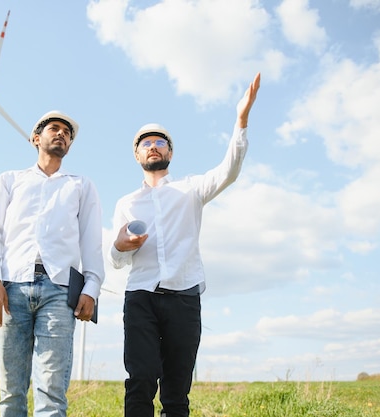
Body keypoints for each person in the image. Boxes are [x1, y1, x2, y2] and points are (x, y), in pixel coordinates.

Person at [108, 73, 261, 417]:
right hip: (141, 298)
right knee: (141, 379)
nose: (152, 146)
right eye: (145, 143)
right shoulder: (126, 203)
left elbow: (230, 170)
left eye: (159, 142)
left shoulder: (191, 190)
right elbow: (116, 259)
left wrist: (241, 119)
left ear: (170, 152)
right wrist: (119, 245)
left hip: (184, 297)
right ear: (137, 155)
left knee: (177, 390)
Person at [0, 110, 105, 417]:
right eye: (54, 128)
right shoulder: (9, 180)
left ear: (69, 145)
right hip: (11, 289)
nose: (61, 134)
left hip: (59, 292)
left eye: (67, 133)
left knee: (52, 391)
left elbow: (92, 242)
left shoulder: (81, 185)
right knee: (11, 390)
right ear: (36, 138)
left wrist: (92, 288)